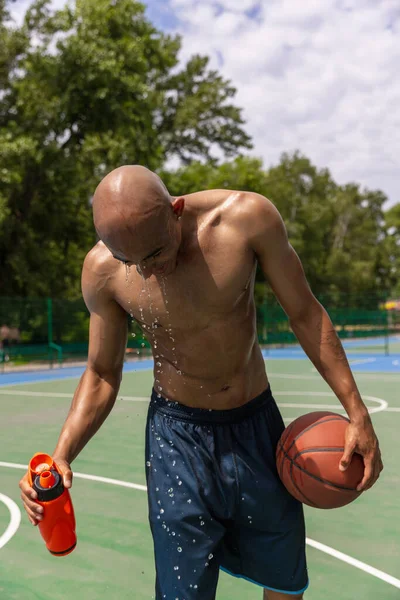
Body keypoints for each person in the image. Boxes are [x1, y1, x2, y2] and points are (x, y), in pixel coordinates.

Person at [19, 165, 383, 600]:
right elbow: (101, 372)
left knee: (283, 584)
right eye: (130, 261)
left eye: (153, 254)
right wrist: (61, 455)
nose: (146, 272)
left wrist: (358, 414)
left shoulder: (245, 219)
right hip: (176, 443)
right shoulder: (103, 271)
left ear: (176, 211)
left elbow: (305, 313)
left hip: (256, 427)